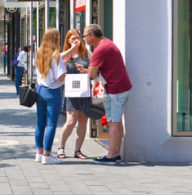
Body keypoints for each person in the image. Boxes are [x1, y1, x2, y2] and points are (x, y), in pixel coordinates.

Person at [84, 24, 133, 165]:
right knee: (116, 121)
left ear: (92, 36)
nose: (84, 39)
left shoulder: (100, 49)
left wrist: (86, 71)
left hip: (115, 90)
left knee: (113, 122)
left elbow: (92, 73)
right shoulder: (108, 44)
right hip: (121, 88)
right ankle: (116, 152)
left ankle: (111, 155)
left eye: (85, 36)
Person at [34, 28, 80, 165]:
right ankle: (47, 155)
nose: (60, 39)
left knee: (40, 123)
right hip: (53, 92)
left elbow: (58, 56)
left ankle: (39, 153)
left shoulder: (40, 52)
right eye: (59, 37)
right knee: (51, 124)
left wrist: (71, 49)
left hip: (40, 90)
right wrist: (64, 67)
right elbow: (60, 78)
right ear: (55, 39)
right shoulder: (57, 56)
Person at [57, 30, 91, 160]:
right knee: (71, 121)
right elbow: (58, 71)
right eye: (73, 39)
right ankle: (61, 147)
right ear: (68, 41)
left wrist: (86, 70)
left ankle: (78, 150)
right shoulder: (66, 55)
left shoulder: (86, 53)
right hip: (72, 91)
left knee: (83, 121)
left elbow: (95, 68)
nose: (76, 40)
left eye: (78, 38)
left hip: (85, 91)